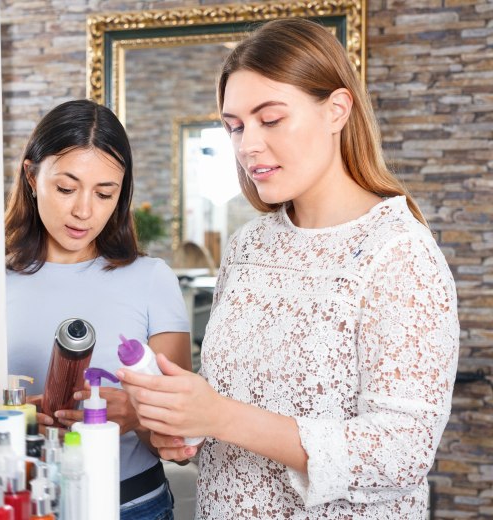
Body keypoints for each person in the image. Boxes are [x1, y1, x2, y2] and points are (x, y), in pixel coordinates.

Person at [117, 18, 459, 519]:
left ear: (337, 109)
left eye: (270, 119)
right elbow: (228, 407)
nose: (247, 144)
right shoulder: (247, 246)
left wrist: (221, 416)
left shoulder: (399, 254)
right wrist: (181, 425)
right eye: (234, 126)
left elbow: (402, 453)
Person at [3, 99, 191, 519]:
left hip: (132, 504)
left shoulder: (151, 279)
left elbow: (182, 444)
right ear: (32, 176)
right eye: (66, 188)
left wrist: (136, 415)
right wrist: (16, 416)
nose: (84, 210)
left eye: (104, 193)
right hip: (21, 501)